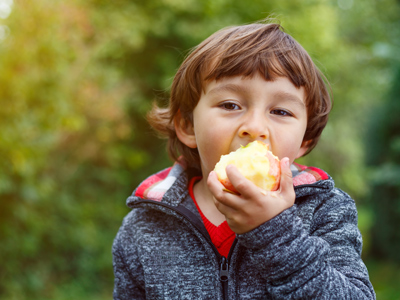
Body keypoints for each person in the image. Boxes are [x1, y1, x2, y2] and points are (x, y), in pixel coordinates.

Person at [112, 19, 375, 299]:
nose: (255, 127)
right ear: (188, 126)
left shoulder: (325, 210)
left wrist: (276, 233)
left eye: (281, 112)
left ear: (305, 139)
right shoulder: (143, 228)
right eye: (230, 105)